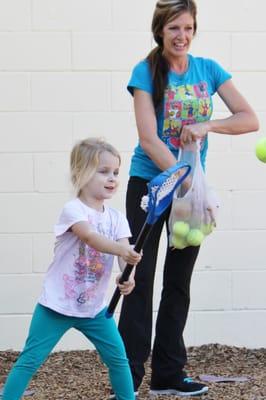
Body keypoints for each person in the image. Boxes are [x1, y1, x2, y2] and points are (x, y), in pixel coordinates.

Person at [114, 0, 260, 398]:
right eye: (174, 28)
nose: (182, 36)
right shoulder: (145, 72)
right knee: (138, 280)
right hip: (150, 186)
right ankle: (127, 376)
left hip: (191, 193)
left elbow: (249, 118)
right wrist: (185, 180)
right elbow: (148, 138)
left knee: (178, 283)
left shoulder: (208, 69)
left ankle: (168, 375)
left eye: (188, 28)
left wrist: (208, 124)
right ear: (160, 30)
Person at [2, 138, 142, 400]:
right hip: (56, 305)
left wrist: (128, 276)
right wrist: (124, 251)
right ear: (81, 173)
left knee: (119, 361)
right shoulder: (73, 210)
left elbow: (125, 253)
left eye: (115, 172)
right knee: (30, 360)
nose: (112, 178)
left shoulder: (117, 218)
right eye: (103, 171)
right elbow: (90, 237)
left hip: (95, 309)